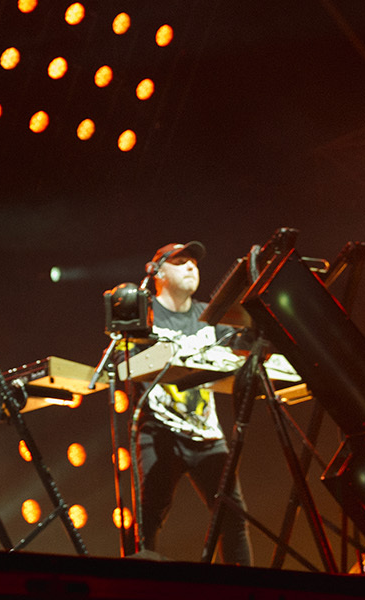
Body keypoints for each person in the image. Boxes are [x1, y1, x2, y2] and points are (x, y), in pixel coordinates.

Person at [133, 241, 252, 565]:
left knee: (233, 517)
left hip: (207, 436)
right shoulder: (145, 315)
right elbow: (124, 365)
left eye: (194, 263)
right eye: (180, 261)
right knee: (148, 519)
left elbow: (239, 350)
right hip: (159, 429)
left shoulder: (211, 316)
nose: (190, 267)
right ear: (157, 272)